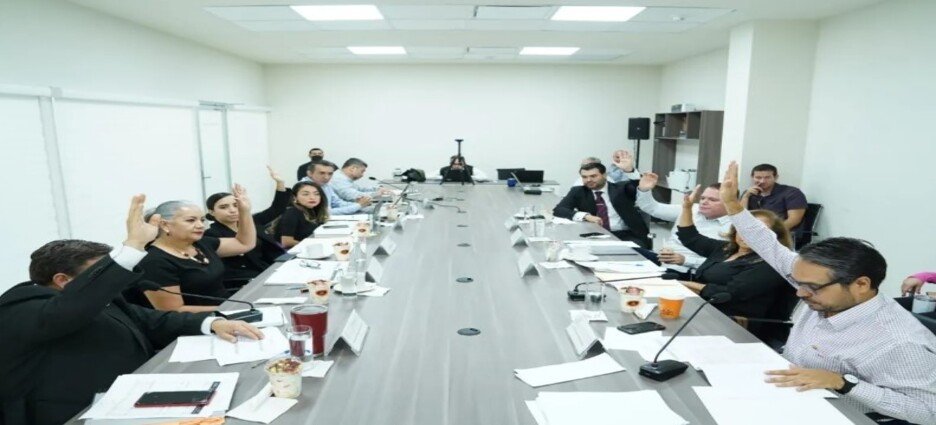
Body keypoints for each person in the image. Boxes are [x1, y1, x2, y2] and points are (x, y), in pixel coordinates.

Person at [0, 194, 262, 425]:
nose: (109, 282)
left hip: (138, 387)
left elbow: (149, 320)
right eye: (100, 273)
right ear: (62, 280)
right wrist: (133, 247)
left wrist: (211, 323)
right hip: (77, 411)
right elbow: (68, 313)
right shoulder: (22, 306)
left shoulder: (95, 298)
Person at [719, 161, 936, 424]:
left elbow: (929, 411)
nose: (800, 293)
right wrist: (733, 205)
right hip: (786, 395)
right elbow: (770, 247)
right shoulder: (820, 284)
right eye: (798, 282)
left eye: (811, 288)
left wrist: (843, 382)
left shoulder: (900, 343)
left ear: (861, 284)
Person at [674, 186, 796, 341]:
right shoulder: (726, 248)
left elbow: (731, 293)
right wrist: (687, 208)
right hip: (704, 308)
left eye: (757, 232)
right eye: (742, 229)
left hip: (737, 321)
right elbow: (690, 238)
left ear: (773, 236)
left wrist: (684, 284)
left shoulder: (771, 264)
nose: (747, 235)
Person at [133, 185, 257, 313]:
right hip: (202, 320)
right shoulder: (154, 261)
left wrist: (245, 211)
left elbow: (244, 243)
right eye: (191, 220)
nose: (200, 225)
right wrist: (230, 309)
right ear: (164, 225)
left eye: (202, 220)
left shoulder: (201, 243)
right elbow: (173, 310)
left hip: (228, 307)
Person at [205, 166, 289, 282]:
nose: (232, 210)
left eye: (236, 205)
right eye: (224, 207)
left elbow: (277, 209)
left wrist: (280, 183)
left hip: (272, 267)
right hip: (249, 278)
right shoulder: (211, 234)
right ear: (212, 212)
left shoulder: (250, 222)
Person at [635, 172, 731, 270]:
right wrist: (644, 190)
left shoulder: (732, 228)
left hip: (689, 271)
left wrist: (685, 260)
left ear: (729, 203)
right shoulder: (691, 208)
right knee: (630, 251)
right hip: (662, 261)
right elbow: (653, 208)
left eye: (712, 200)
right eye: (702, 198)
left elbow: (724, 263)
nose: (704, 202)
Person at [553, 162, 651, 248]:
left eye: (593, 176)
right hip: (594, 235)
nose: (588, 180)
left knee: (634, 255)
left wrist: (630, 170)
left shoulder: (621, 188)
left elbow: (637, 185)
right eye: (584, 177)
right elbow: (559, 210)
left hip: (626, 235)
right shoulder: (578, 191)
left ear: (604, 175)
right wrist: (586, 216)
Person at [740, 163, 807, 230]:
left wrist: (770, 232)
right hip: (753, 231)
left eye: (767, 177)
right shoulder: (749, 193)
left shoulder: (792, 193)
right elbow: (741, 217)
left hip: (781, 232)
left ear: (776, 177)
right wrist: (745, 197)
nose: (762, 181)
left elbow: (794, 220)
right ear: (752, 177)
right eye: (758, 177)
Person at [301, 160, 369, 215]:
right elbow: (325, 213)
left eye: (330, 174)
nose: (326, 177)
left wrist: (359, 204)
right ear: (309, 173)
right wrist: (358, 206)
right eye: (322, 173)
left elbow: (338, 203)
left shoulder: (325, 185)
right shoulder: (304, 187)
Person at [275, 181, 329, 248]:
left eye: (316, 194)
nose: (312, 197)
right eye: (306, 194)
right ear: (295, 197)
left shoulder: (312, 210)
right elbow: (286, 242)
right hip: (290, 252)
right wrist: (314, 245)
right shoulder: (292, 212)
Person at [571, 150, 640, 187]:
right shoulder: (579, 183)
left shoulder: (609, 179)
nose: (587, 170)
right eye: (585, 167)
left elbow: (634, 185)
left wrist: (629, 169)